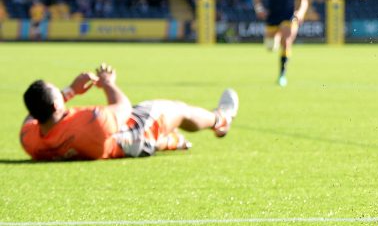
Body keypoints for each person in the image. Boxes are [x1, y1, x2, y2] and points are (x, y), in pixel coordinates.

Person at [20, 63, 238, 161]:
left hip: (116, 146)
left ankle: (170, 141)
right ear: (56, 106)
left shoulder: (30, 140)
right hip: (131, 134)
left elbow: (32, 116)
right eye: (58, 94)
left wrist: (69, 92)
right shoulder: (89, 122)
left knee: (137, 136)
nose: (62, 93)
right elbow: (123, 108)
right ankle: (221, 120)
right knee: (177, 110)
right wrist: (107, 83)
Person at [251, 0, 308, 87]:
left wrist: (300, 12)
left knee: (287, 41)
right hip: (273, 16)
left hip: (289, 16)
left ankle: (282, 75)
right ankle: (274, 39)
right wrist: (259, 8)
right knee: (270, 46)